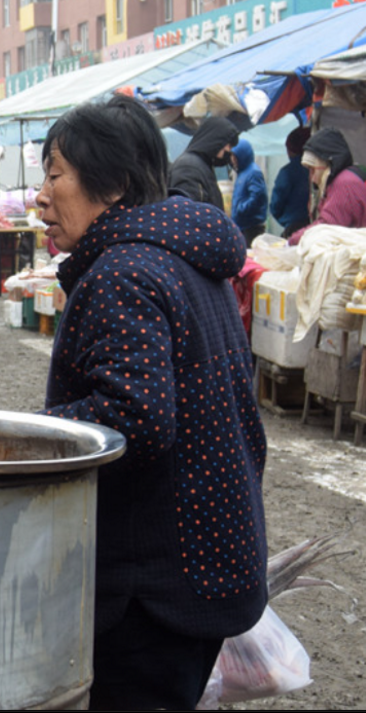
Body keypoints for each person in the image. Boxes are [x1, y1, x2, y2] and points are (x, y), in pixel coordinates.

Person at [36, 96, 267, 710]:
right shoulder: (185, 256)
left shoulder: (125, 272)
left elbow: (133, 418)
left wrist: (21, 434)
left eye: (55, 173)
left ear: (111, 185)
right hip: (208, 560)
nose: (41, 195)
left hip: (155, 583)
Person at [288, 127, 366, 246]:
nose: (313, 178)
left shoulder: (344, 184)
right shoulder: (348, 176)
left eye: (314, 169)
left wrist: (293, 240)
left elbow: (326, 228)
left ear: (329, 163)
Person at [167, 117, 239, 209]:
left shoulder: (202, 165)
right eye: (228, 145)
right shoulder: (189, 168)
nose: (228, 150)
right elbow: (189, 212)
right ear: (216, 141)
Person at [270, 126, 312, 239]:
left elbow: (276, 205)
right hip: (315, 227)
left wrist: (285, 219)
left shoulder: (288, 172)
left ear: (292, 148)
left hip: (294, 228)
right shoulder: (318, 168)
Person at [230, 137, 268, 245]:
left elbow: (257, 196)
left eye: (235, 156)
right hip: (242, 226)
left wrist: (241, 209)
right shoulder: (242, 173)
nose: (232, 159)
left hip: (251, 228)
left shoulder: (253, 172)